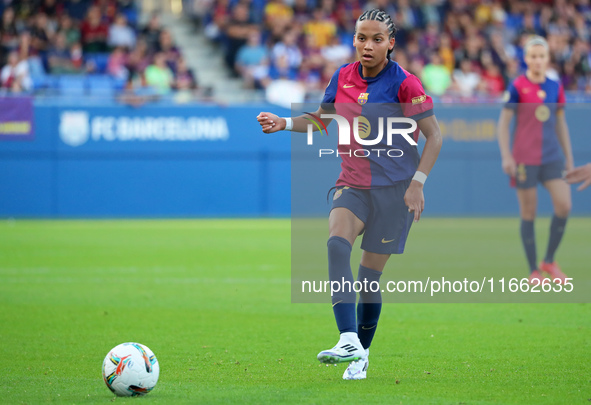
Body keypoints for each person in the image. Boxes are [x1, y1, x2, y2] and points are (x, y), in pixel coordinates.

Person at [257, 9, 442, 380]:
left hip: (394, 192)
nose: (367, 45)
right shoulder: (342, 76)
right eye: (361, 37)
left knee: (369, 278)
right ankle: (347, 338)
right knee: (336, 243)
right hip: (352, 184)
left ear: (391, 43)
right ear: (353, 39)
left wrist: (417, 183)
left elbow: (434, 135)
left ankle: (362, 354)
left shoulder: (406, 83)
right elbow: (322, 118)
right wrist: (285, 123)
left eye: (376, 39)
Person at [497, 36, 573, 285]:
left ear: (548, 58)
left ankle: (549, 260)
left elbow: (560, 123)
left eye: (542, 56)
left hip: (551, 157)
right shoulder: (517, 86)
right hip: (524, 159)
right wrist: (507, 155)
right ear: (526, 59)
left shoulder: (555, 86)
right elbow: (504, 123)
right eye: (533, 56)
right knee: (528, 213)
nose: (538, 60)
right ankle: (534, 271)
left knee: (564, 205)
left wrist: (569, 159)